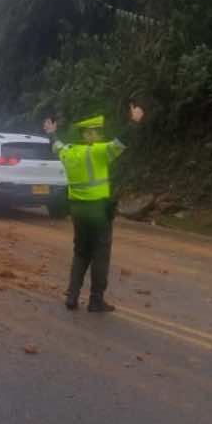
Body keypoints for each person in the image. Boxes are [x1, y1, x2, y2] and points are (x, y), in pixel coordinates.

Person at [45, 104, 144, 312]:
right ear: (86, 134)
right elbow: (121, 142)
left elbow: (57, 146)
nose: (99, 135)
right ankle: (96, 300)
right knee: (100, 255)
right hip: (98, 212)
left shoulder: (69, 152)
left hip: (77, 211)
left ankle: (72, 296)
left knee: (80, 253)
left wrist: (52, 133)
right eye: (95, 132)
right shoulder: (98, 152)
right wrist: (134, 121)